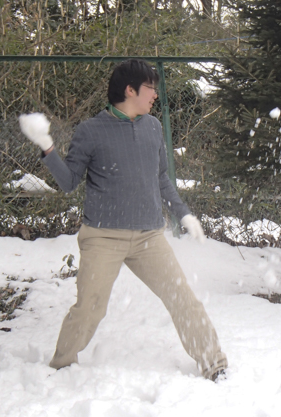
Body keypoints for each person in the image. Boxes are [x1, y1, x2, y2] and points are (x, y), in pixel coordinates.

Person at [18, 59, 228, 380]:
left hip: (149, 238)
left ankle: (213, 363)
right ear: (130, 90)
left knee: (182, 298)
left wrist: (182, 213)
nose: (155, 95)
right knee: (90, 308)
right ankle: (61, 366)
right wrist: (47, 146)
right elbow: (69, 181)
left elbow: (160, 178)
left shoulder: (153, 127)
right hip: (103, 237)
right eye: (150, 89)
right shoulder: (91, 130)